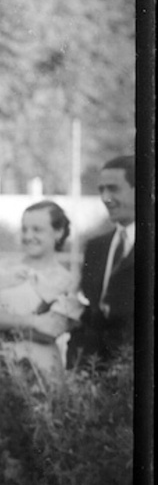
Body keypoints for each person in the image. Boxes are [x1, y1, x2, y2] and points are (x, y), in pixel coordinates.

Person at [0, 200, 81, 382]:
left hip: (43, 372)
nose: (28, 236)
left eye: (37, 229)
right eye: (24, 229)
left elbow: (50, 331)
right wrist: (33, 321)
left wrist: (2, 322)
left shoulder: (69, 281)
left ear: (59, 232)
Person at [69, 155, 138, 368]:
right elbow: (90, 312)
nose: (106, 198)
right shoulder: (96, 247)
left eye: (113, 189)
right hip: (94, 369)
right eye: (101, 190)